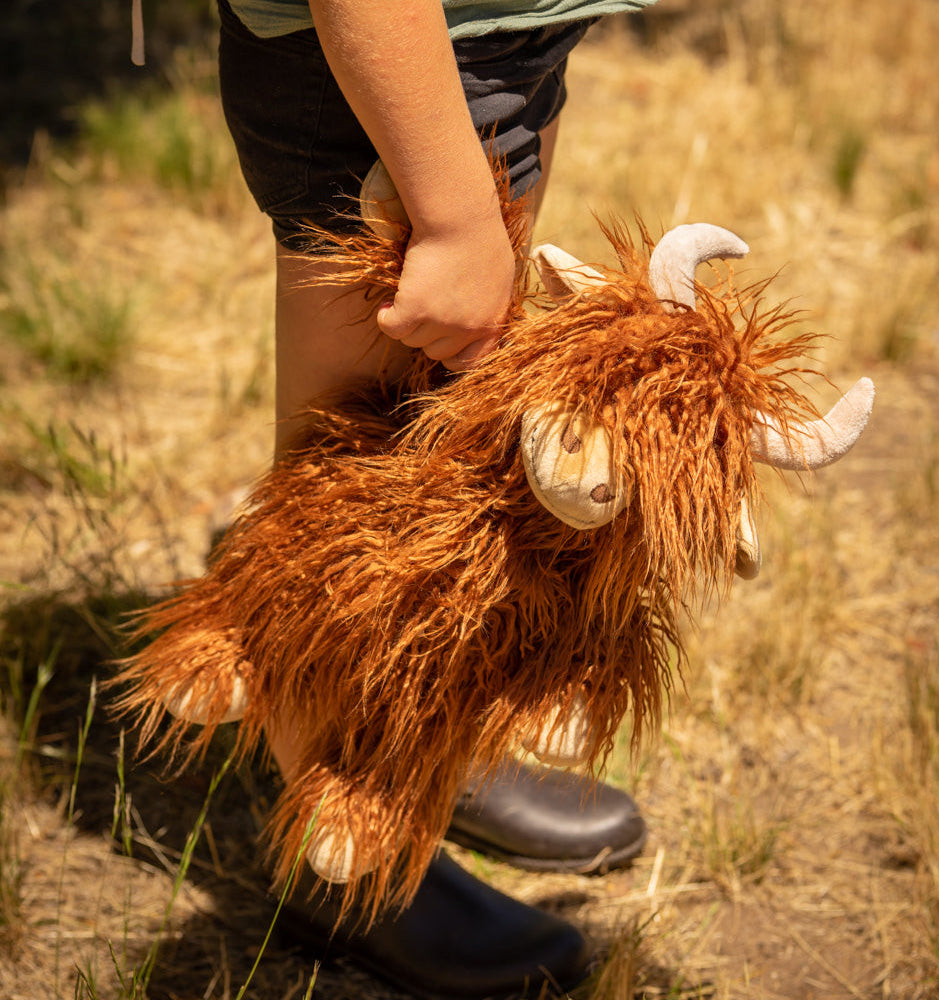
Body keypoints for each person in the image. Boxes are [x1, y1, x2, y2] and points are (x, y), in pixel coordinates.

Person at [214, 1, 657, 996]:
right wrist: (454, 214)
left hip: (501, 35)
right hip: (388, 55)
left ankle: (433, 742)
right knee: (344, 506)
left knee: (446, 453)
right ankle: (350, 853)